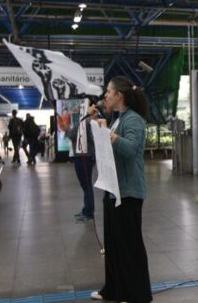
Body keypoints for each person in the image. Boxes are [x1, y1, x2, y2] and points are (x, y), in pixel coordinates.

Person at [91, 76, 152, 303]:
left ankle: (137, 294)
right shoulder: (117, 118)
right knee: (114, 245)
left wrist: (112, 137)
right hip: (114, 191)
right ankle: (114, 289)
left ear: (120, 96)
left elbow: (131, 149)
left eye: (109, 92)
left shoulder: (133, 120)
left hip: (128, 193)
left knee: (130, 246)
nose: (105, 95)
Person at [59, 111, 96, 223]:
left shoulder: (85, 122)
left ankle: (89, 212)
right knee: (86, 185)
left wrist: (66, 129)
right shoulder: (86, 122)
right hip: (85, 156)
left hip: (84, 157)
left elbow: (72, 134)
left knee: (86, 185)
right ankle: (87, 210)